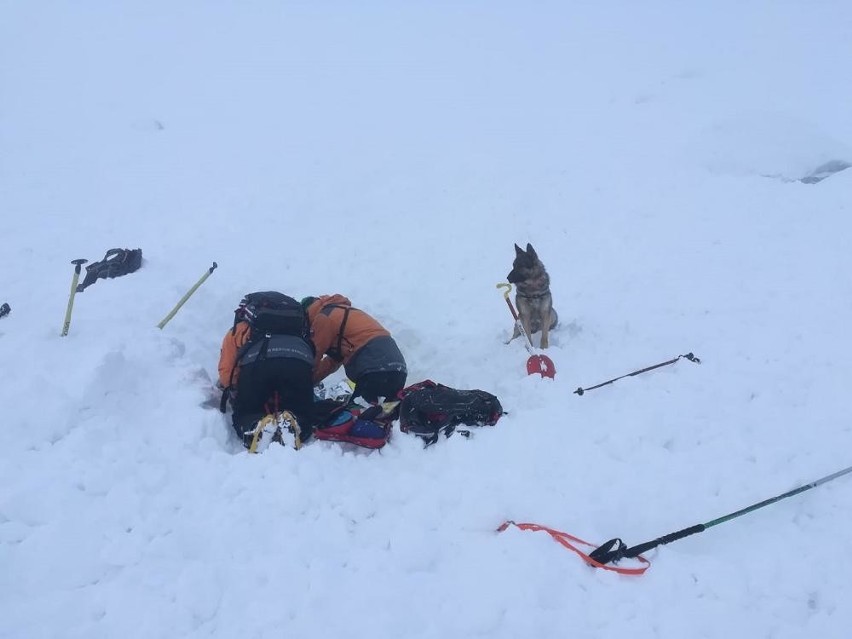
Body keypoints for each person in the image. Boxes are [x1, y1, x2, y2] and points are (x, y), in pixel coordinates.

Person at [218, 292, 316, 448]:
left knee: (247, 411)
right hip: (299, 361)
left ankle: (255, 425)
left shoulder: (241, 328)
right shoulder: (298, 329)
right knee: (301, 410)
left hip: (259, 362)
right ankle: (295, 423)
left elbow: (227, 372)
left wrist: (237, 390)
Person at [301, 295, 407, 404]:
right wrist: (311, 381)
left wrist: (300, 383)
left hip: (372, 364)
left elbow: (314, 353)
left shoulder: (323, 317)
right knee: (380, 416)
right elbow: (332, 362)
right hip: (398, 368)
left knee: (357, 414)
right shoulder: (343, 312)